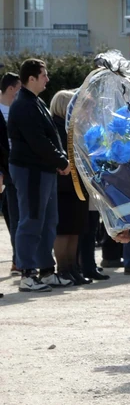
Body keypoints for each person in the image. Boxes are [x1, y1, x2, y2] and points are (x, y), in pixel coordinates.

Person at [7, 59, 72, 292]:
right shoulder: (23, 104)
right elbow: (38, 141)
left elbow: (50, 137)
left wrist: (59, 161)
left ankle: (46, 271)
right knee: (31, 220)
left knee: (48, 221)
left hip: (44, 170)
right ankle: (27, 273)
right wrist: (62, 161)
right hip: (30, 171)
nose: (47, 79)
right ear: (31, 78)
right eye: (43, 75)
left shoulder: (36, 102)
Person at [49, 89, 88, 285]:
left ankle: (73, 267)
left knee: (75, 229)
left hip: (78, 185)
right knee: (64, 230)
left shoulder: (74, 128)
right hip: (64, 186)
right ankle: (62, 268)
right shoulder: (55, 127)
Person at [0, 72, 21, 273]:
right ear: (12, 88)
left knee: (16, 216)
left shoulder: (18, 109)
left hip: (17, 170)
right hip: (3, 171)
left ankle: (18, 259)